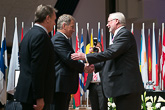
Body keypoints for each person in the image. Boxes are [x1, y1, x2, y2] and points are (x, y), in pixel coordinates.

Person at [71, 12, 144, 110]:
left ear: (116, 21)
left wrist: (86, 56)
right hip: (123, 88)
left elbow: (110, 54)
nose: (107, 25)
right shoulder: (120, 36)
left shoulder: (124, 34)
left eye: (109, 21)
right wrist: (95, 67)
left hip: (127, 88)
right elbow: (111, 58)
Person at [14, 4, 57, 110]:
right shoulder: (41, 36)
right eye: (54, 20)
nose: (54, 23)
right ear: (47, 18)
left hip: (28, 93)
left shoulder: (29, 34)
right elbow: (37, 69)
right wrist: (39, 97)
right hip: (34, 97)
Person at [51, 14, 94, 110]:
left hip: (63, 85)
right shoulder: (59, 39)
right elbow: (69, 59)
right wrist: (84, 67)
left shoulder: (62, 39)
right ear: (63, 26)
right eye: (72, 27)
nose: (74, 30)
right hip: (60, 85)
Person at [85, 42, 108, 110]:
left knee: (103, 106)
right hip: (92, 86)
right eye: (95, 48)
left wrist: (100, 54)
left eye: (98, 47)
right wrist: (89, 53)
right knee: (94, 106)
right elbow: (85, 63)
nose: (96, 49)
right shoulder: (91, 57)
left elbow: (104, 64)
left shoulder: (104, 57)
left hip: (101, 85)